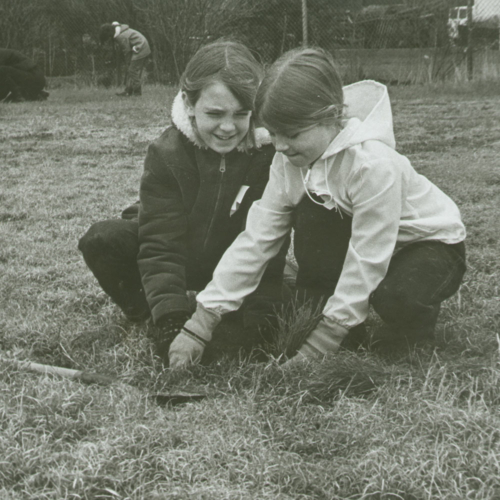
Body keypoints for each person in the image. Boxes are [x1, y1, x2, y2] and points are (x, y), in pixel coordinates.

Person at [168, 47, 467, 368]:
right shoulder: (289, 159)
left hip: (429, 246)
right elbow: (257, 239)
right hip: (366, 238)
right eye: (274, 133)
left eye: (292, 134)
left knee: (396, 297)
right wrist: (200, 323)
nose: (280, 146)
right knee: (311, 215)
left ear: (331, 116)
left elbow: (367, 257)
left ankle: (414, 335)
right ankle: (345, 325)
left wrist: (320, 346)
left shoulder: (373, 165)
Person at [78, 40, 289, 361]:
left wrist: (261, 319)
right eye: (214, 113)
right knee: (103, 239)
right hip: (180, 258)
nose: (228, 127)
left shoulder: (268, 156)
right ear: (190, 105)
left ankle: (223, 311)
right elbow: (160, 243)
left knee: (265, 327)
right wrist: (172, 321)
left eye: (242, 114)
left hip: (238, 266)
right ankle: (153, 313)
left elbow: (269, 250)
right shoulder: (167, 152)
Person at [99, 22, 151, 96]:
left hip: (141, 47)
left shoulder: (120, 36)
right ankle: (128, 91)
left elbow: (127, 50)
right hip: (139, 46)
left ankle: (137, 91)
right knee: (130, 69)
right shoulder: (118, 30)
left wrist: (128, 62)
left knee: (132, 70)